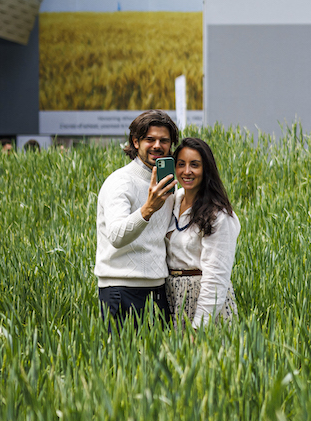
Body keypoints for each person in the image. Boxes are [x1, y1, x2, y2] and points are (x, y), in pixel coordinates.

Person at [95, 110, 179, 325]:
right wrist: (148, 208)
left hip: (158, 289)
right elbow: (116, 236)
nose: (157, 146)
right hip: (120, 289)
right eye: (150, 139)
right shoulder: (120, 182)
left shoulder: (168, 187)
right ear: (135, 141)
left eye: (164, 140)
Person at [165, 137, 240, 327]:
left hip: (203, 302)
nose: (187, 171)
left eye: (194, 165)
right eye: (181, 164)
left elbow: (216, 276)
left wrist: (200, 326)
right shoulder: (171, 201)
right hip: (172, 298)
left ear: (206, 169)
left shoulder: (219, 215)